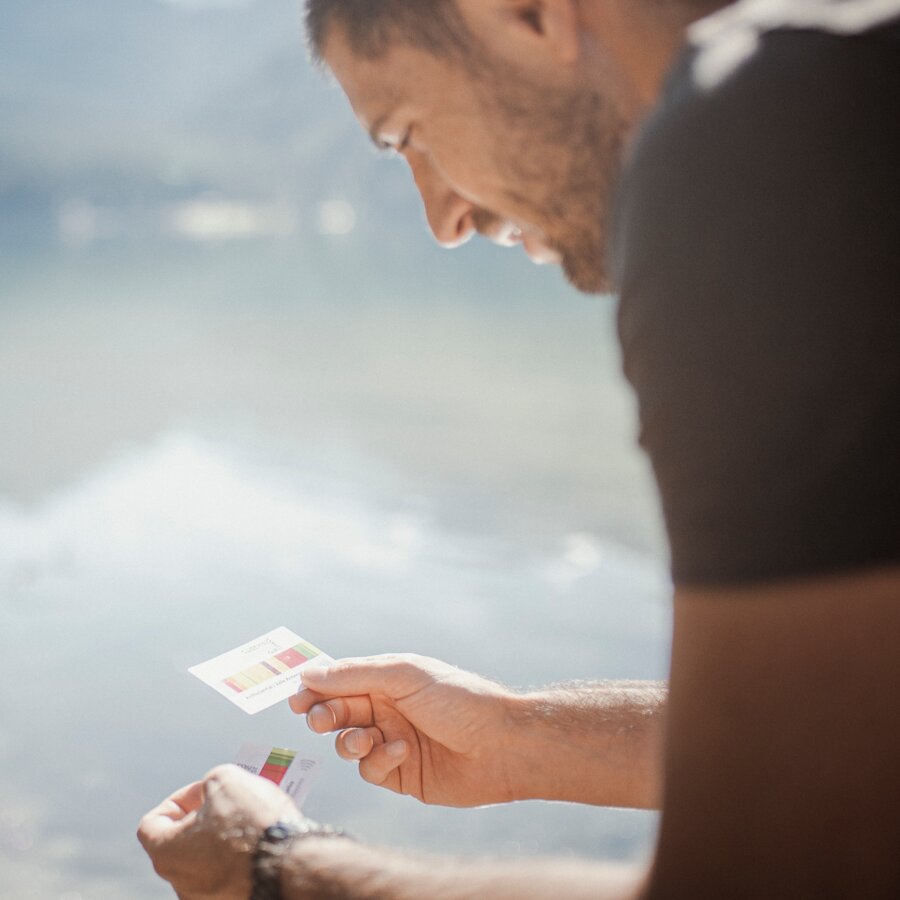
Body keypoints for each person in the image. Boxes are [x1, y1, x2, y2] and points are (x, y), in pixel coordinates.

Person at [138, 0, 900, 897]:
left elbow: (772, 873)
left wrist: (274, 871)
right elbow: (853, 728)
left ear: (521, 12)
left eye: (408, 131)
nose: (443, 218)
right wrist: (518, 736)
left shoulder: (759, 142)